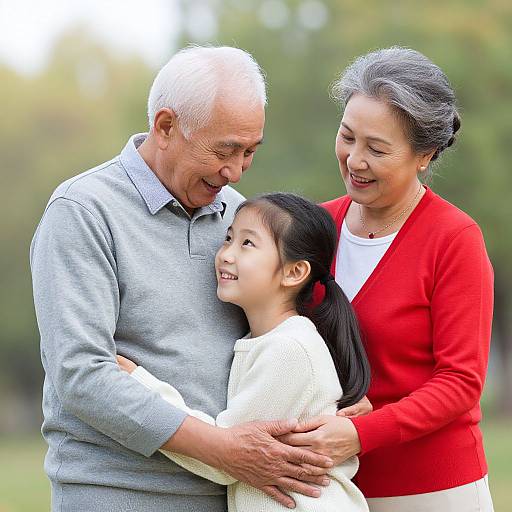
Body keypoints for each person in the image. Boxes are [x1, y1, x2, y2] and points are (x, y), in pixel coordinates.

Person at [30, 46, 333, 512]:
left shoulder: (239, 216)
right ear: (166, 127)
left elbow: (285, 329)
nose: (234, 170)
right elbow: (81, 375)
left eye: (250, 151)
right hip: (119, 497)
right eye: (224, 150)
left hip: (232, 496)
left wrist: (339, 402)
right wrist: (223, 449)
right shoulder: (83, 212)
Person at [279, 47, 495, 511]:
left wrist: (360, 433)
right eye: (347, 136)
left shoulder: (455, 239)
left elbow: (459, 382)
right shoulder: (314, 228)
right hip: (329, 491)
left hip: (431, 491)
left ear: (425, 155)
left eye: (376, 149)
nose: (355, 160)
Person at [117, 192, 372, 511]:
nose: (225, 254)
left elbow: (223, 457)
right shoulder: (266, 340)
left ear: (294, 272)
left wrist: (136, 382)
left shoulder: (288, 349)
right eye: (228, 238)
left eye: (247, 244)